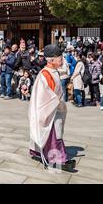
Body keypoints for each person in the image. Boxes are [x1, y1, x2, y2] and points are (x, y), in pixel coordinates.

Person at [28, 44, 76, 172]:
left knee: (53, 134)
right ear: (51, 60)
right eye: (60, 58)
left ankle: (43, 153)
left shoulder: (52, 72)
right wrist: (58, 102)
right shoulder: (46, 74)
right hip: (50, 110)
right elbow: (46, 96)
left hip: (54, 108)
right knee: (54, 135)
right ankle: (58, 159)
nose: (62, 60)